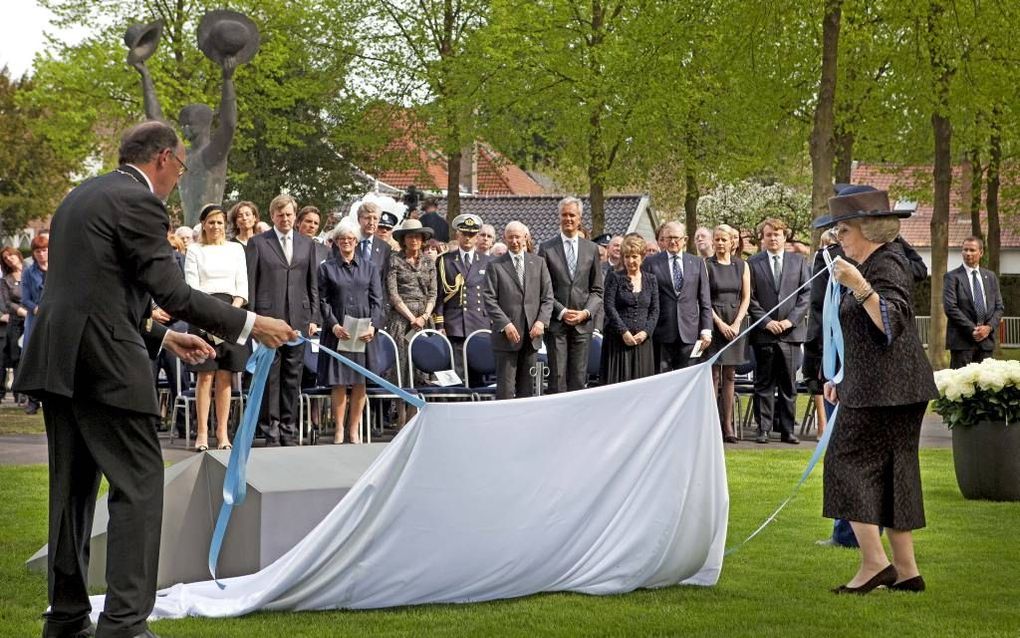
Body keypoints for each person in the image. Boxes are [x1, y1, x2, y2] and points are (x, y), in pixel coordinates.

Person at [13, 121, 295, 638]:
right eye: (181, 166)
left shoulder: (83, 196)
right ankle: (124, 623)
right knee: (140, 487)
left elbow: (101, 289)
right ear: (163, 159)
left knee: (71, 495)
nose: (178, 177)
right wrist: (253, 324)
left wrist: (165, 340)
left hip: (60, 361)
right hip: (105, 365)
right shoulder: (137, 200)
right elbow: (171, 291)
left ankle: (67, 617)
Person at [815, 186, 937, 594]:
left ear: (866, 229)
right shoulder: (872, 260)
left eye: (843, 231)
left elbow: (893, 321)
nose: (838, 240)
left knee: (844, 464)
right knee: (894, 474)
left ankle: (874, 563)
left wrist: (859, 286)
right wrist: (841, 378)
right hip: (885, 386)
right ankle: (907, 572)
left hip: (887, 390)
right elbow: (864, 339)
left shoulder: (886, 263)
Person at [247, 193, 320, 446]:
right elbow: (251, 283)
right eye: (280, 215)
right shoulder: (258, 243)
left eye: (289, 214)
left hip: (298, 318)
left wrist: (313, 316)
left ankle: (289, 428)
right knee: (270, 376)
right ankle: (271, 429)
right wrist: (254, 320)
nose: (285, 218)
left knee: (293, 375)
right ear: (273, 217)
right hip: (268, 318)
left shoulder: (306, 244)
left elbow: (312, 284)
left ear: (294, 215)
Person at [183, 204, 250, 451]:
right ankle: (202, 433)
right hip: (203, 314)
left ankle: (222, 434)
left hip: (231, 313)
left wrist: (231, 312)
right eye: (211, 222)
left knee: (225, 376)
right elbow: (191, 286)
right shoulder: (194, 250)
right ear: (203, 225)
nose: (215, 227)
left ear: (226, 224)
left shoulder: (236, 250)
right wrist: (209, 316)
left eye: (219, 222)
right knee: (205, 375)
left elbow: (242, 286)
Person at [318, 218, 383, 444]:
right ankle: (338, 429)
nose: (346, 242)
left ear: (356, 241)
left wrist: (374, 326)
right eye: (342, 239)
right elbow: (322, 300)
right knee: (339, 382)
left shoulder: (370, 267)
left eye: (350, 239)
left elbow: (378, 300)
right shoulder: (326, 268)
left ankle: (353, 430)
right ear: (335, 242)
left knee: (359, 382)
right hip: (338, 331)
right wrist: (333, 325)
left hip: (364, 332)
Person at [747, 217, 810, 444]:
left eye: (777, 234)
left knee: (788, 385)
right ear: (763, 238)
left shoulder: (799, 262)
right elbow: (750, 298)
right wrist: (766, 321)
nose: (773, 238)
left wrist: (790, 321)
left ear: (785, 236)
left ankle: (787, 430)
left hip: (790, 334)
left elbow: (806, 295)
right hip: (764, 334)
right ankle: (762, 429)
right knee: (763, 384)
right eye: (768, 234)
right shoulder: (753, 263)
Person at [537, 197, 604, 393]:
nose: (568, 219)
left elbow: (597, 290)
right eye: (564, 215)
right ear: (559, 217)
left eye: (572, 215)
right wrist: (562, 311)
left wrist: (585, 313)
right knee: (557, 379)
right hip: (557, 324)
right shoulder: (547, 248)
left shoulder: (591, 249)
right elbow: (543, 288)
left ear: (580, 218)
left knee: (578, 378)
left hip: (583, 325)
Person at [482, 221, 554, 399]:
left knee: (526, 390)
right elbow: (489, 299)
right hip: (506, 338)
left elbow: (547, 297)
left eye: (518, 237)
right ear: (505, 238)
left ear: (525, 238)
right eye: (510, 237)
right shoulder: (495, 265)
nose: (514, 241)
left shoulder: (539, 263)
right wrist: (505, 324)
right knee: (505, 390)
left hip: (531, 336)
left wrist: (541, 322)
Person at [643, 221, 713, 372]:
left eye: (676, 237)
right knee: (661, 380)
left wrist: (706, 330)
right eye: (668, 238)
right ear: (663, 240)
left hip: (691, 333)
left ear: (685, 239)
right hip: (662, 332)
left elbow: (704, 300)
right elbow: (646, 299)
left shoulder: (697, 263)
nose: (673, 241)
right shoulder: (651, 263)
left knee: (688, 379)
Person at [705, 224, 750, 443]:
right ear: (713, 241)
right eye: (717, 239)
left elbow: (746, 297)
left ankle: (728, 424)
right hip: (714, 321)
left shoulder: (742, 265)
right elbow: (703, 298)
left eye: (725, 239)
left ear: (732, 242)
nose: (721, 243)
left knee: (730, 375)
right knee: (713, 375)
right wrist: (720, 323)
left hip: (736, 322)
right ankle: (713, 424)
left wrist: (737, 322)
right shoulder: (706, 265)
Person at [434, 214, 491, 385]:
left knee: (477, 375)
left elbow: (492, 295)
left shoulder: (488, 262)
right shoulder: (445, 261)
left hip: (479, 324)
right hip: (454, 325)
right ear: (457, 234)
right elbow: (439, 295)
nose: (468, 238)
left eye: (472, 234)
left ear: (477, 237)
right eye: (464, 233)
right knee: (454, 376)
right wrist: (440, 325)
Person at [386, 219, 438, 391]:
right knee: (400, 362)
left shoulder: (429, 262)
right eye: (410, 237)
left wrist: (424, 317)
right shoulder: (394, 260)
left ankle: (419, 409)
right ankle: (397, 411)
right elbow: (393, 294)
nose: (414, 240)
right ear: (403, 239)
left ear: (423, 239)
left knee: (422, 363)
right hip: (402, 319)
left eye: (417, 236)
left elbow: (433, 293)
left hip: (424, 318)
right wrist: (411, 318)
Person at [600, 234, 658, 384]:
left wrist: (645, 333)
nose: (630, 261)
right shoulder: (615, 277)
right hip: (618, 344)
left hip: (643, 344)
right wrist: (624, 332)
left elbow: (655, 310)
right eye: (626, 256)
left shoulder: (651, 280)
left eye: (634, 256)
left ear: (642, 257)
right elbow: (609, 306)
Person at [944, 236, 1004, 369]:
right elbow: (950, 308)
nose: (968, 253)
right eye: (965, 250)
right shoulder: (952, 277)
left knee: (985, 387)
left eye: (972, 250)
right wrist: (973, 330)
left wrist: (988, 328)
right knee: (961, 387)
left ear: (981, 252)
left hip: (986, 342)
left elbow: (999, 307)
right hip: (962, 342)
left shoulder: (991, 277)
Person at [20, 233, 49, 414]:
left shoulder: (58, 269)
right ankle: (32, 399)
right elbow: (25, 298)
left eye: (44, 250)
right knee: (33, 356)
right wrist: (35, 308)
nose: (41, 254)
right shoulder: (29, 272)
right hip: (35, 318)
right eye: (37, 251)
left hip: (54, 318)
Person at [2, 247, 26, 404]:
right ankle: (20, 393)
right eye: (5, 258)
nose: (9, 259)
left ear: (17, 255)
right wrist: (20, 310)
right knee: (16, 355)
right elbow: (7, 302)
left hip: (35, 317)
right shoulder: (6, 280)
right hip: (16, 321)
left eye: (10, 255)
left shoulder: (31, 272)